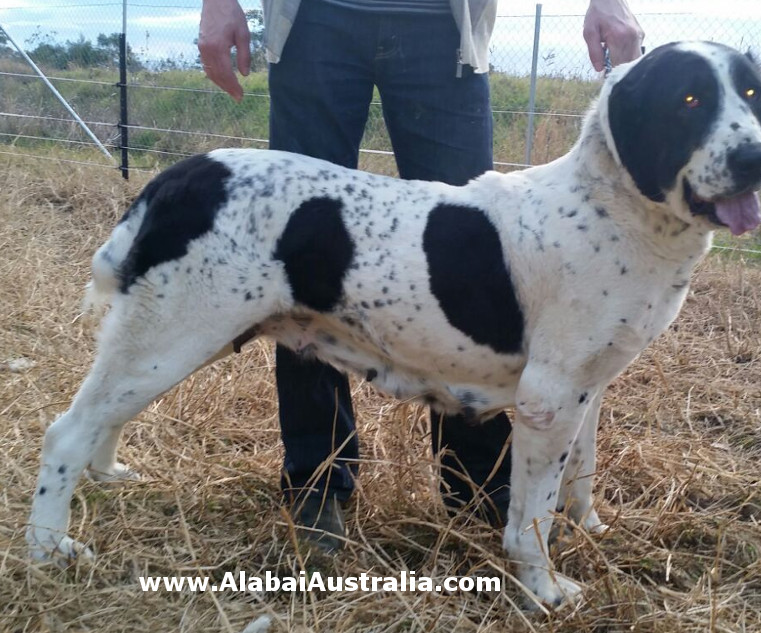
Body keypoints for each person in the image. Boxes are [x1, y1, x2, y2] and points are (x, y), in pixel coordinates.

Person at [198, 0, 644, 550]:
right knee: (304, 259)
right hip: (313, 20)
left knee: (470, 259)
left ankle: (478, 481)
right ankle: (316, 479)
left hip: (444, 25)